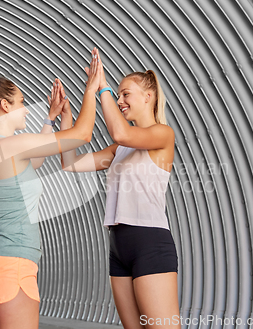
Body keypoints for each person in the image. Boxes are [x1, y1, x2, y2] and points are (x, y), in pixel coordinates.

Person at [0, 47, 102, 329]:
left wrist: (51, 119)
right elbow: (82, 135)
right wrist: (92, 90)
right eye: (21, 102)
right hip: (11, 265)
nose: (26, 108)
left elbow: (36, 161)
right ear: (5, 106)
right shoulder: (8, 145)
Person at [58, 50, 179, 329]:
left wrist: (104, 88)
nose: (120, 101)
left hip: (149, 242)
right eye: (119, 95)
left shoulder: (163, 134)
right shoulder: (119, 150)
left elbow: (121, 131)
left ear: (148, 97)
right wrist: (66, 119)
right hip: (118, 246)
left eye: (126, 94)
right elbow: (70, 164)